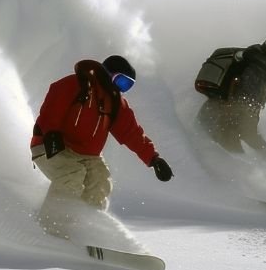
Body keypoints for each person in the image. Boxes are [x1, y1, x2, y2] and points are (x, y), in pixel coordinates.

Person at [29, 55, 173, 238]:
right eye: (121, 81)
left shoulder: (115, 104)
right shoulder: (75, 85)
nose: (121, 88)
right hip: (52, 147)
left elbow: (132, 133)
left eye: (127, 86)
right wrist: (51, 133)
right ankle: (49, 229)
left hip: (87, 155)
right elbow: (52, 107)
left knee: (100, 182)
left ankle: (84, 230)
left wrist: (153, 158)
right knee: (71, 177)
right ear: (107, 73)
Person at [194, 35, 266, 162]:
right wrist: (263, 148)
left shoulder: (251, 62)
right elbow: (245, 119)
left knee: (213, 161)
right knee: (234, 165)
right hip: (223, 125)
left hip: (212, 115)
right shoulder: (257, 72)